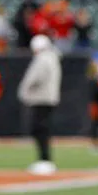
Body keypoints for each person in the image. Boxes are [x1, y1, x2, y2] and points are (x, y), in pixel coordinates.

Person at [18, 35, 62, 175]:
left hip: (41, 98)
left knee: (40, 129)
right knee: (42, 129)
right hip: (48, 98)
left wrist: (25, 91)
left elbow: (35, 78)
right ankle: (44, 159)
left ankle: (44, 160)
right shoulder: (52, 58)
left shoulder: (43, 59)